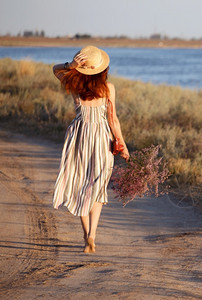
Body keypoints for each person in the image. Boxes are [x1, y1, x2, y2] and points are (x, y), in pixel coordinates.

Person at [52, 45, 129, 253]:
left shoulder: (73, 83)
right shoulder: (108, 88)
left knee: (80, 186)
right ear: (102, 69)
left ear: (83, 68)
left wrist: (71, 65)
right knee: (97, 186)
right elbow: (113, 120)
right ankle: (93, 234)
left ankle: (86, 236)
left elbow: (55, 69)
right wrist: (122, 144)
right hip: (102, 138)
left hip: (78, 137)